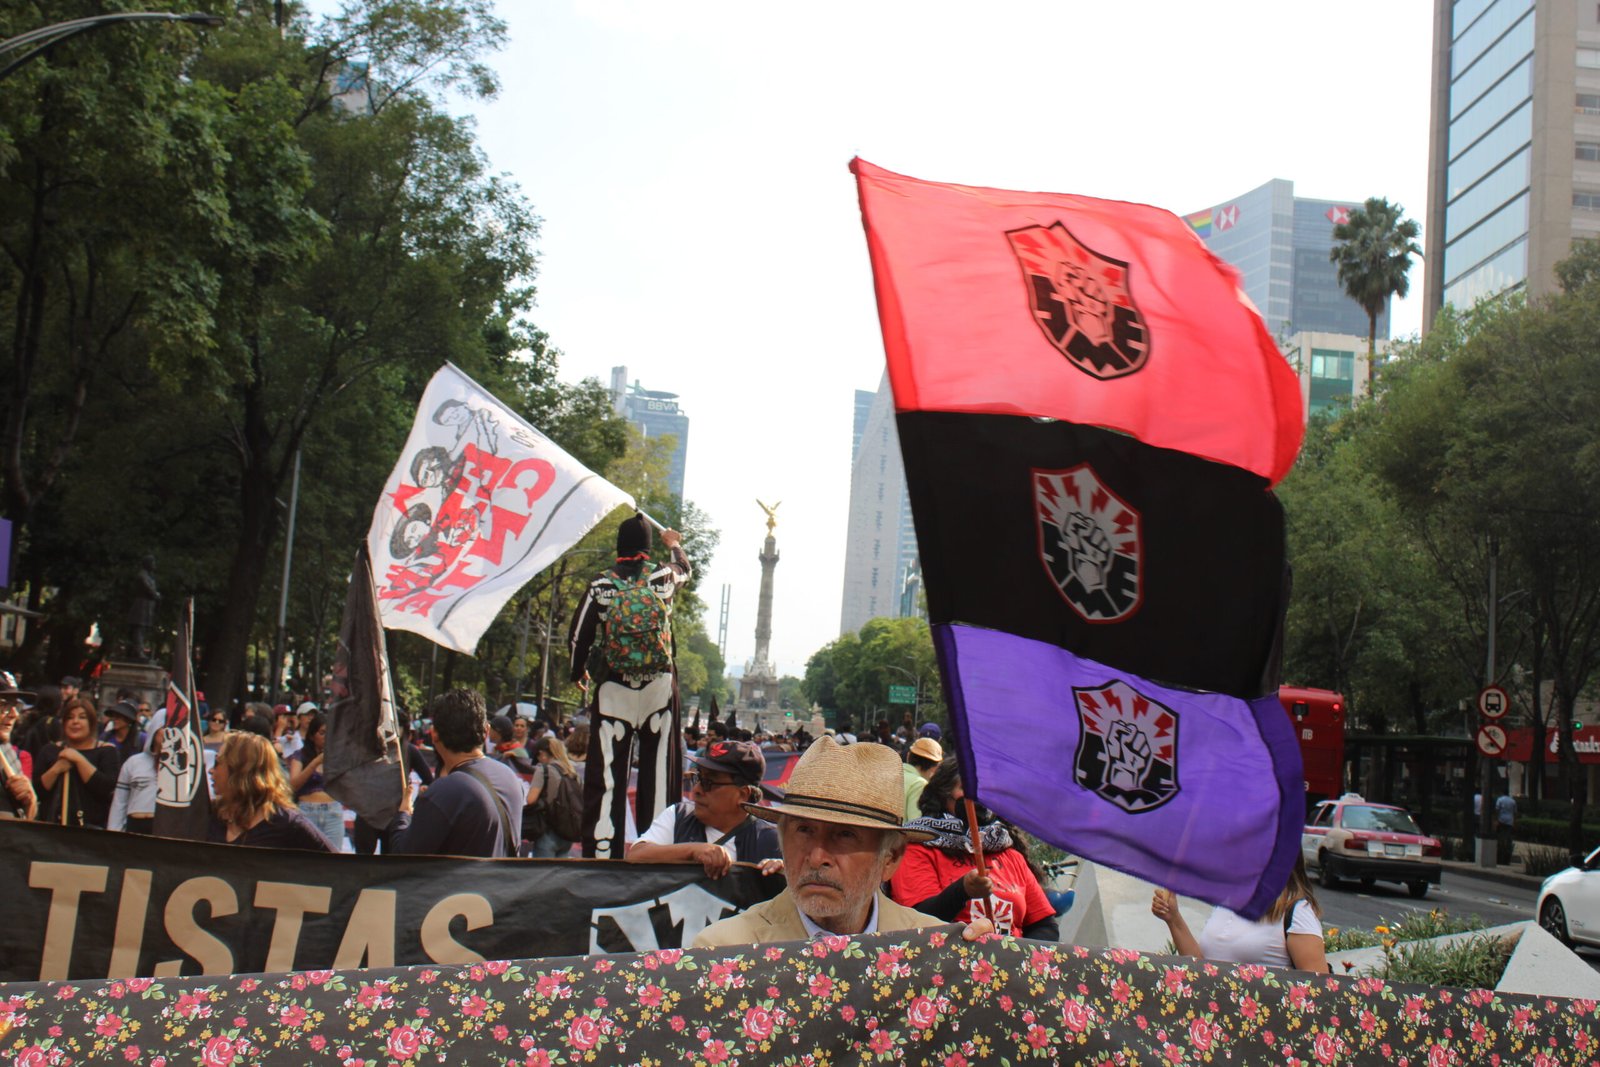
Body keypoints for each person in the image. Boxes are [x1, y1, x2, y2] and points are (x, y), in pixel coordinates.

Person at [693, 737, 986, 947]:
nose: (817, 856)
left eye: (845, 835)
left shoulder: (932, 950)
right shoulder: (724, 951)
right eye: (803, 830)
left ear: (891, 857)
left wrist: (989, 966)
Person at [567, 513, 692, 859]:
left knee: (605, 777)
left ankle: (601, 855)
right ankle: (657, 853)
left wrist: (577, 672)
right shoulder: (662, 577)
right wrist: (674, 545)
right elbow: (685, 569)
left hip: (614, 688)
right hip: (659, 688)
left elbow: (578, 637)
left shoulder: (601, 585)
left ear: (619, 547)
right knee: (660, 772)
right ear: (648, 548)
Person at [890, 758, 1059, 940]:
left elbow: (1045, 925)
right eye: (967, 787)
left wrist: (1013, 953)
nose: (978, 796)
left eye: (986, 789)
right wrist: (962, 891)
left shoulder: (1011, 855)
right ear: (944, 795)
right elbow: (917, 920)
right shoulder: (918, 848)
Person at [390, 688, 523, 858]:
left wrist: (403, 814)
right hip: (500, 876)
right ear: (486, 731)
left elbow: (402, 856)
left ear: (434, 734)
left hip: (459, 877)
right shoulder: (509, 776)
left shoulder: (446, 791)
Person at [628, 739, 784, 877]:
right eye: (698, 778)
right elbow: (635, 856)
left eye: (709, 783)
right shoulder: (678, 816)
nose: (696, 789)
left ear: (743, 794)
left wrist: (781, 873)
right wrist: (692, 851)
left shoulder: (772, 841)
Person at [1151, 855, 1328, 971]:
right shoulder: (1228, 901)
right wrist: (1174, 919)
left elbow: (1318, 991)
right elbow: (1202, 968)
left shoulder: (1297, 912)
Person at [208, 733, 335, 851]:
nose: (210, 770)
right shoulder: (210, 813)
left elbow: (336, 862)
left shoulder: (287, 822)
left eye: (217, 762)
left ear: (239, 770)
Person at [34, 697, 122, 827]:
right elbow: (38, 791)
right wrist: (56, 769)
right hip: (51, 827)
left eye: (82, 717)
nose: (75, 722)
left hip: (90, 829)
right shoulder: (50, 750)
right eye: (70, 717)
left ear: (91, 722)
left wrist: (79, 760)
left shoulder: (107, 751)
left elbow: (106, 788)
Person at [287, 713, 347, 849]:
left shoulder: (338, 758)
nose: (327, 738)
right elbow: (293, 786)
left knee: (333, 856)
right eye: (322, 733)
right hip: (307, 812)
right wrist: (315, 762)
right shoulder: (300, 756)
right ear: (312, 736)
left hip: (333, 812)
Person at [524, 735, 583, 857]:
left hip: (547, 831)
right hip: (568, 833)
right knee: (560, 869)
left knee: (543, 869)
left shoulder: (544, 770)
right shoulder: (573, 772)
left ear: (542, 753)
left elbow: (530, 800)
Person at [0, 674, 39, 819]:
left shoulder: (6, 749)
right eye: (3, 705)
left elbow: (24, 820)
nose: (14, 714)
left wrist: (31, 803)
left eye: (16, 705)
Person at [110, 729, 163, 833]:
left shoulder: (184, 765)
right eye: (163, 727)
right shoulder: (134, 762)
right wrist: (114, 831)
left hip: (165, 827)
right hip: (135, 825)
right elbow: (120, 801)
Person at [902, 736, 943, 820]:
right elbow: (915, 822)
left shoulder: (891, 772)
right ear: (935, 767)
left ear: (908, 756)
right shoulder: (919, 784)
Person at [101, 701, 145, 765]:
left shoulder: (141, 739)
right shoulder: (105, 737)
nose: (115, 720)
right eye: (113, 716)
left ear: (128, 720)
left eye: (118, 717)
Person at [1495, 791, 1517, 863]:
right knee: (1508, 838)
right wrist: (1514, 822)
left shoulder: (1500, 799)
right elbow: (1515, 812)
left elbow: (1497, 810)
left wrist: (1496, 819)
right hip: (1510, 821)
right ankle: (1507, 852)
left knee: (1500, 837)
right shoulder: (1513, 801)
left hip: (1501, 819)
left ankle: (1500, 852)